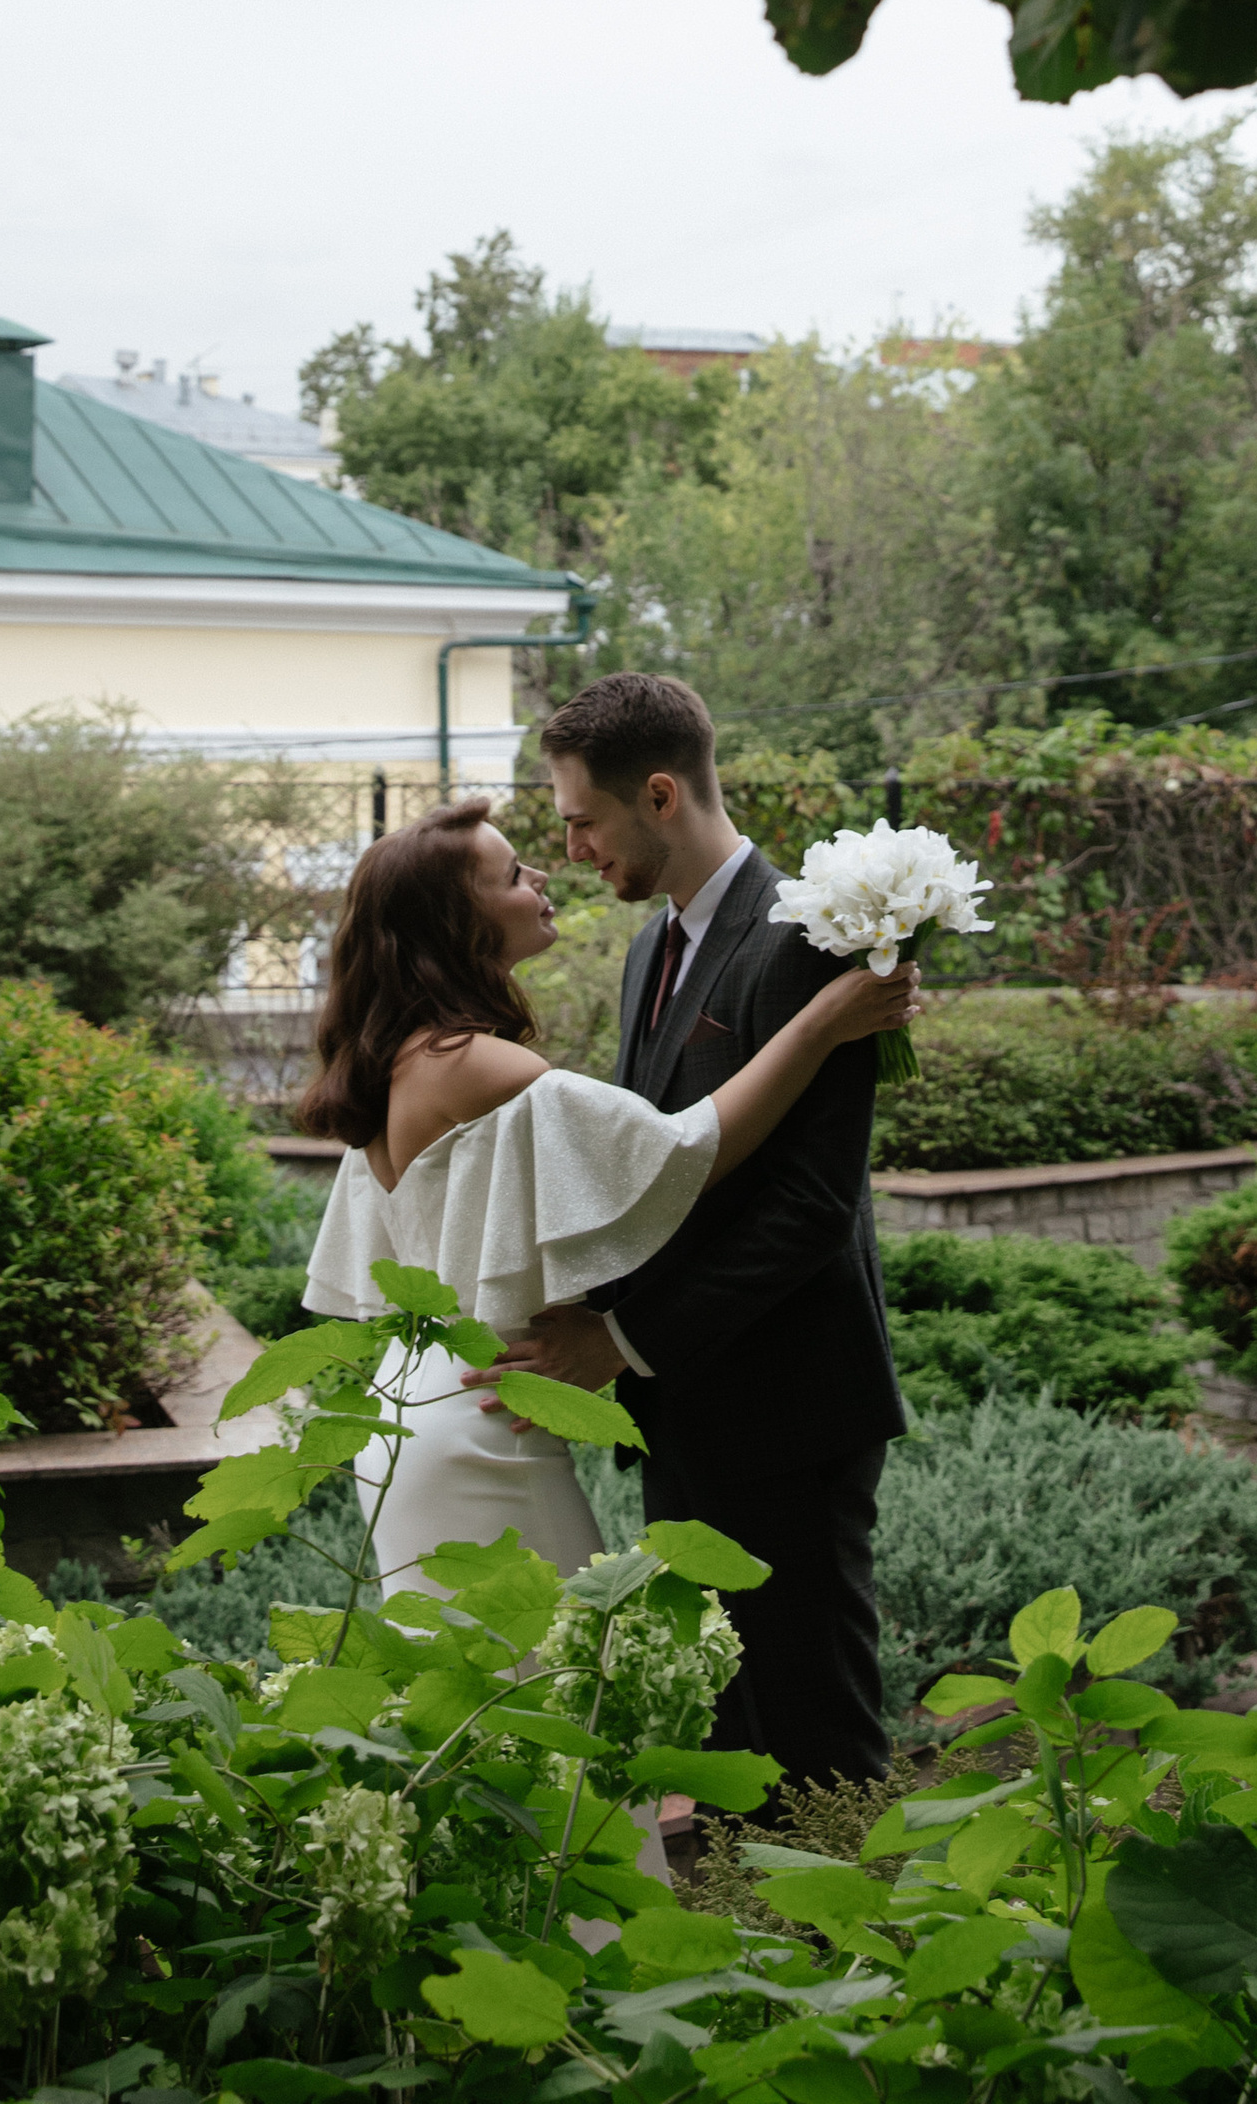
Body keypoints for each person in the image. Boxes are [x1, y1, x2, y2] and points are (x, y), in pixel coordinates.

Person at [295, 791, 912, 1618]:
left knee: (481, 1694)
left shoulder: (403, 1057)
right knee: (564, 1686)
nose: (545, 871)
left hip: (419, 1401)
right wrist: (816, 1027)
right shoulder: (475, 1064)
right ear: (459, 919)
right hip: (481, 1422)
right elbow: (689, 1149)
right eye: (513, 872)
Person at [477, 673, 905, 1801]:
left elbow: (811, 1209)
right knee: (727, 1734)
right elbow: (660, 1173)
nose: (569, 850)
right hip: (692, 1409)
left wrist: (621, 1341)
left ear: (658, 795)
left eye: (580, 820)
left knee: (816, 1737)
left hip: (788, 1410)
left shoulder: (807, 941)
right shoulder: (647, 949)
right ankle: (750, 1957)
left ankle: (857, 1966)